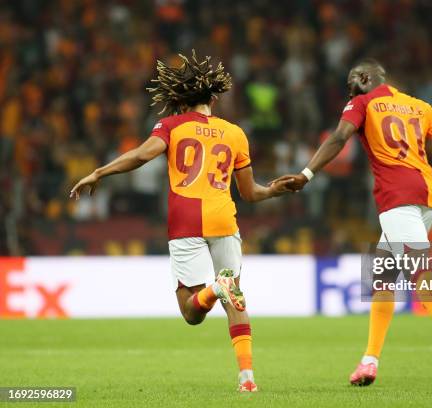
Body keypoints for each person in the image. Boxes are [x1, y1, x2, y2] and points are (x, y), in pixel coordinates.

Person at [70, 50, 294, 392]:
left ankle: (216, 288)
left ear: (180, 98)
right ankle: (247, 378)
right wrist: (275, 190)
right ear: (214, 97)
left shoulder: (171, 125)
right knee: (236, 296)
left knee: (192, 313)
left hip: (186, 219)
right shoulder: (235, 133)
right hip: (224, 219)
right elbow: (250, 194)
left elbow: (143, 155)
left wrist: (100, 171)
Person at [272, 59, 432, 387]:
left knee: (416, 267)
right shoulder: (418, 105)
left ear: (366, 79)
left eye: (352, 83)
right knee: (383, 275)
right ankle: (369, 360)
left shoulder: (363, 102)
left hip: (397, 197)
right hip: (429, 196)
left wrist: (306, 174)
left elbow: (340, 138)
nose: (349, 92)